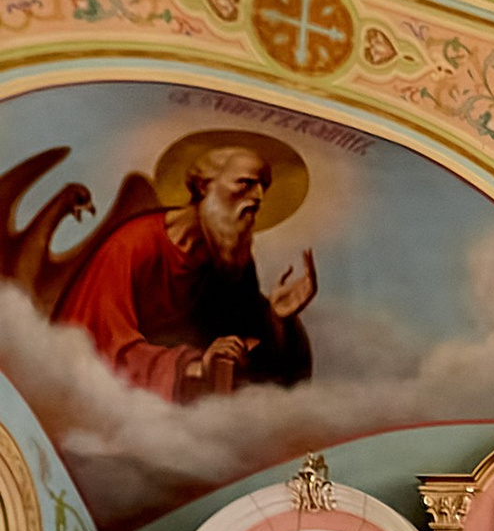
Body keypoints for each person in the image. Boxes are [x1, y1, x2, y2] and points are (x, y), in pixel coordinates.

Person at [55, 133, 316, 404]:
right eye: (246, 183)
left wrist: (277, 319)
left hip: (181, 409)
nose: (258, 197)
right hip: (111, 402)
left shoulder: (229, 259)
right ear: (204, 186)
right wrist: (195, 366)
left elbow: (252, 345)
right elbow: (102, 351)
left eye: (263, 186)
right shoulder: (132, 246)